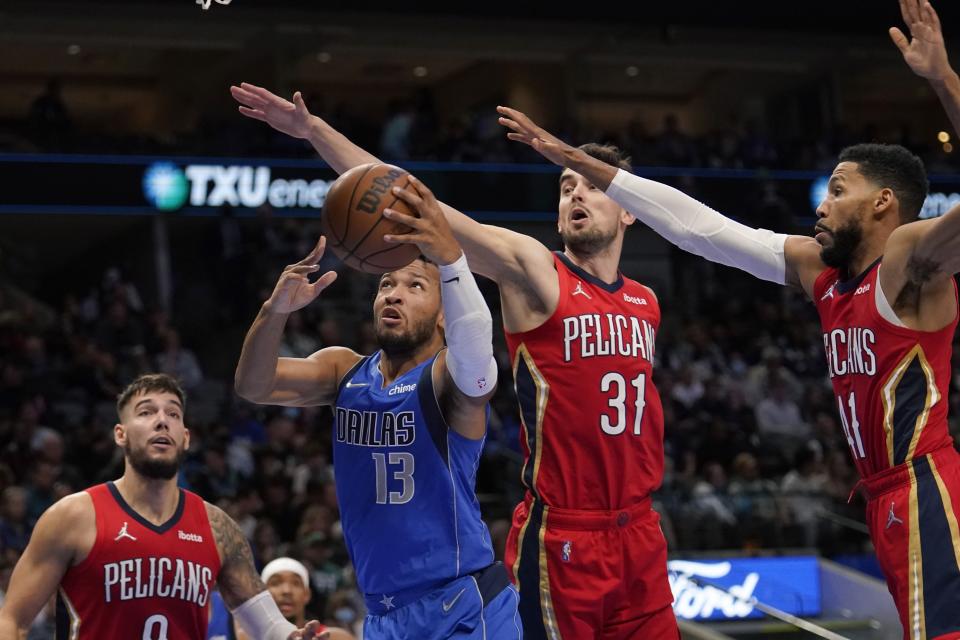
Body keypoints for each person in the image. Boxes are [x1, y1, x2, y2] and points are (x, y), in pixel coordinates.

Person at [495, 1, 960, 636]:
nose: (822, 204)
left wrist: (942, 79)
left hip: (926, 482)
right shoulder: (817, 272)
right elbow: (701, 230)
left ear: (883, 204)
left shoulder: (910, 258)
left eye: (839, 190)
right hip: (879, 493)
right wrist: (579, 161)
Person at [231, 82, 678, 640]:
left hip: (639, 525)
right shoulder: (535, 269)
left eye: (591, 186)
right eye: (566, 187)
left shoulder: (647, 302)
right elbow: (410, 199)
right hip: (564, 528)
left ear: (630, 209)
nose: (575, 197)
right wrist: (313, 131)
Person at [234, 178, 521, 639]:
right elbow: (253, 384)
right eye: (386, 283)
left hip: (461, 603)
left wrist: (451, 261)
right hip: (385, 614)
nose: (393, 293)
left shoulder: (446, 376)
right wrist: (274, 311)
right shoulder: (342, 370)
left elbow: (478, 369)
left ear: (445, 311)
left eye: (414, 285)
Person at [0, 373, 324, 640]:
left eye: (172, 413)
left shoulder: (218, 527)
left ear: (185, 437)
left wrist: (293, 638)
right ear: (120, 434)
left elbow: (268, 626)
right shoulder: (73, 517)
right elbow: (12, 621)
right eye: (146, 412)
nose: (161, 422)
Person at [215, 557, 353, 640]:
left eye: (296, 583)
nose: (286, 591)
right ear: (262, 594)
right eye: (275, 583)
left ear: (307, 595)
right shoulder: (248, 635)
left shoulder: (336, 637)